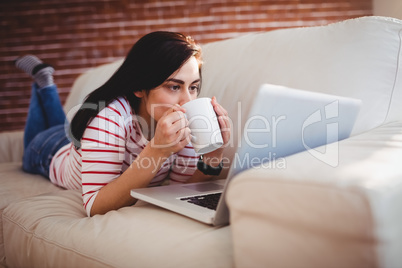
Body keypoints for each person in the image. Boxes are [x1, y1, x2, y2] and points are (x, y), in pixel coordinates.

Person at [16, 31, 231, 217]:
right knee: (38, 139)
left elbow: (180, 189)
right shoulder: (110, 118)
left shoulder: (181, 124)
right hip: (50, 152)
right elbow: (95, 206)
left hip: (82, 144)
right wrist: (157, 151)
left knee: (59, 126)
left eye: (193, 87)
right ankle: (45, 85)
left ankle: (45, 83)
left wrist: (213, 155)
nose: (187, 101)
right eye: (174, 87)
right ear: (139, 87)